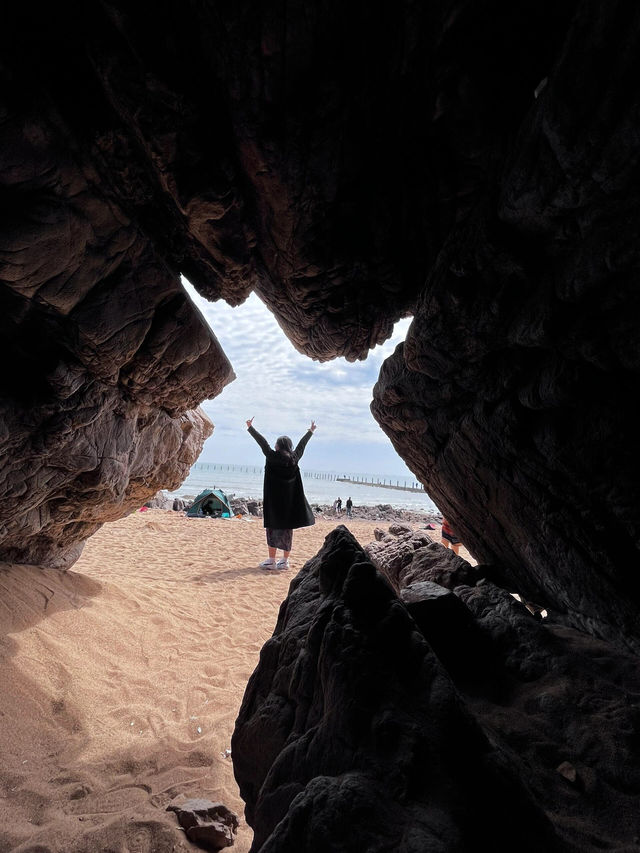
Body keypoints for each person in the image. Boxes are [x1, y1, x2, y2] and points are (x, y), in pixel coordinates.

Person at [246, 417, 317, 570]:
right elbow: (301, 446)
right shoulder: (294, 458)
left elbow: (262, 443)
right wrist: (310, 431)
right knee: (287, 530)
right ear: (289, 446)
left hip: (273, 501)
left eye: (276, 444)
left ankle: (271, 560)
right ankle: (285, 561)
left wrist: (251, 428)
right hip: (290, 502)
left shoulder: (272, 456)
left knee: (272, 528)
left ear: (278, 446)